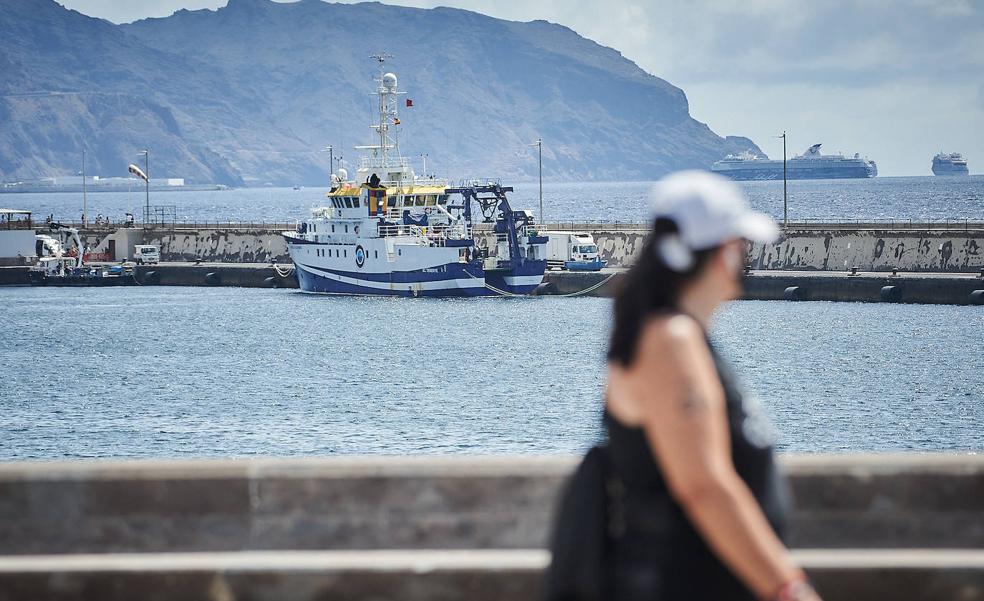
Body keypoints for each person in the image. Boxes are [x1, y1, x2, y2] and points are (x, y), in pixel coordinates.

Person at [545, 171, 821, 601]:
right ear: (723, 253)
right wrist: (789, 589)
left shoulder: (672, 334)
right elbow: (703, 485)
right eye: (742, 247)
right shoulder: (669, 342)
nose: (746, 261)